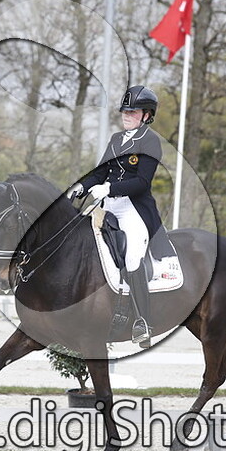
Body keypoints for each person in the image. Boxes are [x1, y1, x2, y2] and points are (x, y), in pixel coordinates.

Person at [66, 85, 163, 348]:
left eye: (133, 112)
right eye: (125, 111)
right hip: (107, 205)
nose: (127, 115)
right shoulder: (116, 139)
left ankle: (143, 321)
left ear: (146, 115)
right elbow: (100, 172)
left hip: (134, 209)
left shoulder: (150, 141)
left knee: (132, 257)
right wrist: (80, 186)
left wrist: (110, 188)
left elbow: (142, 182)